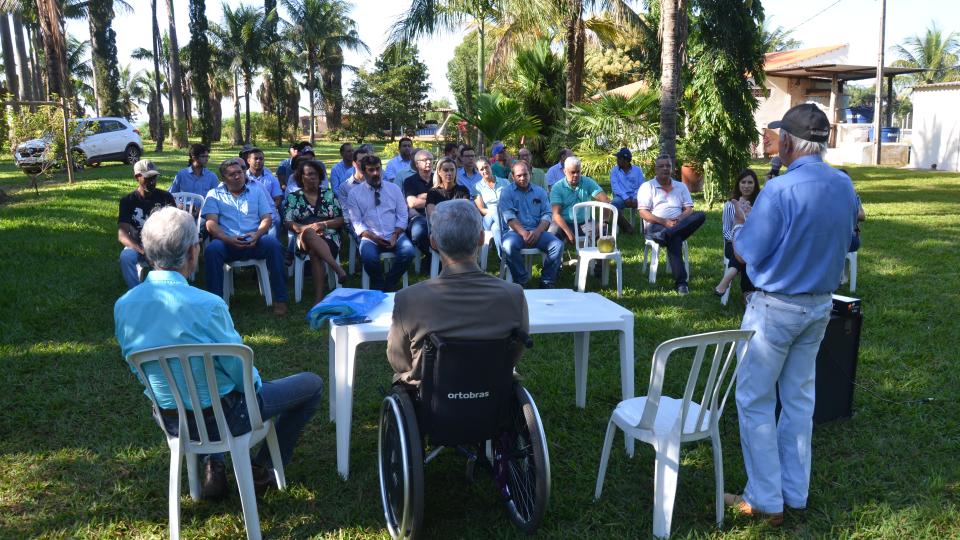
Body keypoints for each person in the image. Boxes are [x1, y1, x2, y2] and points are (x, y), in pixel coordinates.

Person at [115, 206, 323, 500]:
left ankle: (214, 463)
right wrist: (256, 387)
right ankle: (260, 468)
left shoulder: (124, 305)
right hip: (227, 415)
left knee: (203, 389)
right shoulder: (207, 305)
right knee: (311, 384)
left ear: (148, 253)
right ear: (192, 252)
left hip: (171, 419)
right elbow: (240, 372)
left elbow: (137, 366)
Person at [726, 103, 859, 525]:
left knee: (755, 398)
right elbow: (851, 241)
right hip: (820, 306)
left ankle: (766, 499)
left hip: (775, 308)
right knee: (800, 400)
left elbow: (746, 253)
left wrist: (743, 225)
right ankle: (794, 493)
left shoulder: (780, 191)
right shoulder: (844, 185)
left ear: (787, 142)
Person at [386, 199, 529, 387]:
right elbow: (515, 352)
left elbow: (399, 361)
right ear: (481, 239)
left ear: (433, 242)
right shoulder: (514, 294)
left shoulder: (408, 299)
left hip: (432, 397)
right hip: (491, 392)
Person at [201, 159, 289, 316]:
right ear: (223, 178)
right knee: (212, 249)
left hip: (254, 241)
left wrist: (258, 234)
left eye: (239, 173)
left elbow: (267, 218)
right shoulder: (214, 194)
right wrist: (226, 239)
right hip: (227, 243)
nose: (237, 176)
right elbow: (211, 224)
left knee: (273, 244)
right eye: (232, 174)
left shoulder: (256, 191)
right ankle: (216, 304)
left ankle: (280, 299)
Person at [637, 155, 706, 295]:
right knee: (675, 239)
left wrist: (678, 220)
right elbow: (643, 213)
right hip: (656, 225)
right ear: (655, 169)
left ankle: (667, 234)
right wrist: (664, 222)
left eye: (668, 166)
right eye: (661, 166)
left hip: (677, 223)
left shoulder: (680, 186)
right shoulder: (647, 186)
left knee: (700, 215)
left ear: (672, 168)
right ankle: (681, 283)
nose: (665, 169)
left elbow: (689, 209)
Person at [346, 154, 417, 291]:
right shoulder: (354, 194)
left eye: (378, 169)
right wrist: (373, 237)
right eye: (371, 170)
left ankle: (390, 282)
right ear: (363, 171)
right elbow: (357, 222)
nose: (376, 173)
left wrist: (395, 234)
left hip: (395, 233)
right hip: (371, 237)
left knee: (408, 252)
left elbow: (403, 215)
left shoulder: (394, 189)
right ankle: (378, 283)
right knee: (368, 257)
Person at [284, 159, 349, 303]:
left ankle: (318, 299)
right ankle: (337, 269)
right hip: (303, 238)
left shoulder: (329, 194)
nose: (312, 177)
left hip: (330, 237)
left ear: (320, 177)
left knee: (315, 253)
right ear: (301, 177)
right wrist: (308, 229)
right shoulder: (294, 197)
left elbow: (341, 219)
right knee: (308, 233)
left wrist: (323, 225)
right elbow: (288, 222)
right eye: (308, 174)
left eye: (315, 174)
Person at [499, 160, 564, 288]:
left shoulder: (540, 192)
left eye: (525, 174)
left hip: (537, 231)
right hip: (514, 233)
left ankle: (547, 281)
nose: (523, 178)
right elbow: (509, 217)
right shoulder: (506, 192)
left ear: (530, 174)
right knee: (508, 245)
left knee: (557, 245)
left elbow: (547, 214)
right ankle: (522, 279)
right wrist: (523, 233)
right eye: (519, 176)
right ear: (513, 177)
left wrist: (538, 231)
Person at [118, 160, 175, 288]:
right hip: (138, 244)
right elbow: (122, 234)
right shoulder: (127, 201)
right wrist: (143, 251)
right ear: (137, 177)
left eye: (154, 177)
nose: (152, 182)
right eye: (148, 178)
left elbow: (175, 225)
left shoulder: (166, 197)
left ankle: (167, 290)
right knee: (125, 257)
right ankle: (136, 290)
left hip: (161, 244)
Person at [714, 169, 760, 297]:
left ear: (755, 185)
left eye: (750, 182)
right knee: (745, 254)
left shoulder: (760, 203)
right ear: (738, 185)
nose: (746, 186)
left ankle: (727, 278)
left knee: (748, 251)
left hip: (754, 243)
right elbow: (726, 230)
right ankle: (748, 294)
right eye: (743, 182)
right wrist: (736, 241)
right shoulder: (730, 204)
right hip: (731, 243)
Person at [549, 156, 609, 244]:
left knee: (601, 232)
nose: (576, 175)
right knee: (552, 234)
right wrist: (568, 232)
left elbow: (606, 200)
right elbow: (556, 214)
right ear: (565, 171)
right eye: (573, 172)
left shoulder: (587, 182)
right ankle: (555, 257)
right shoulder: (557, 187)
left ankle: (597, 257)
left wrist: (604, 222)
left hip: (585, 222)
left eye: (578, 172)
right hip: (563, 222)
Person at [246, 147, 284, 237]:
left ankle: (272, 245)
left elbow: (278, 198)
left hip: (268, 210)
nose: (258, 161)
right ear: (248, 161)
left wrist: (270, 209)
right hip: (248, 209)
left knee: (276, 220)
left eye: (261, 159)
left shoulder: (271, 178)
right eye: (255, 158)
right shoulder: (243, 178)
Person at [403, 149, 434, 259]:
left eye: (431, 159)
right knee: (418, 233)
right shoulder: (409, 181)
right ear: (417, 164)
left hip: (437, 215)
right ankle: (432, 258)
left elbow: (445, 199)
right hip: (418, 217)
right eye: (425, 160)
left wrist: (422, 196)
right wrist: (434, 198)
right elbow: (412, 203)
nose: (429, 162)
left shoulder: (438, 178)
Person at [609, 147, 643, 234]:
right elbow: (615, 187)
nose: (617, 160)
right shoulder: (615, 170)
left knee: (648, 203)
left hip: (636, 196)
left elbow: (641, 186)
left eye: (619, 158)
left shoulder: (637, 170)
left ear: (625, 160)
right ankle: (627, 227)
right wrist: (625, 197)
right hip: (621, 197)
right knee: (613, 205)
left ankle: (647, 229)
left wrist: (635, 197)